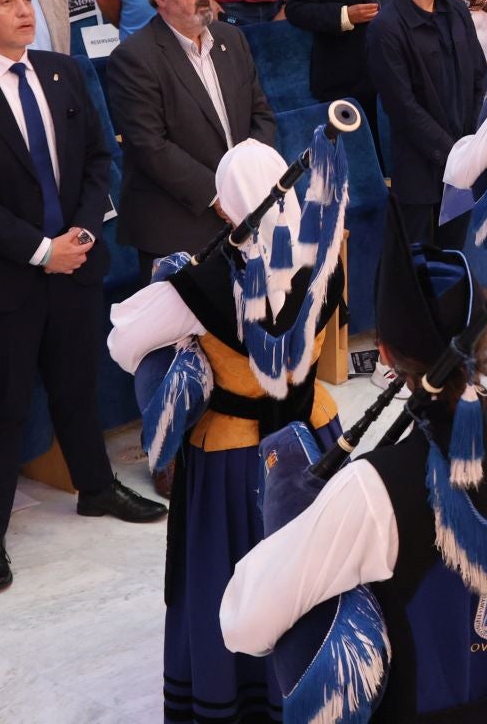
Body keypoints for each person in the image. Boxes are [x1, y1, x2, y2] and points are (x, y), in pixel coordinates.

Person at [218, 206, 487, 719]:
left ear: (384, 353)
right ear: (485, 344)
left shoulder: (375, 488)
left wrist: (288, 515)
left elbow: (243, 622)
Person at [0, 0, 166, 597]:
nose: (24, 10)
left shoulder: (64, 72)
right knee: (1, 408)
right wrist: (39, 251)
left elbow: (97, 159)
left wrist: (82, 234)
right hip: (0, 280)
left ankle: (95, 487)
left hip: (75, 265)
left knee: (76, 386)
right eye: (7, 1)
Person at [107, 134, 343, 724]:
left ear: (228, 205)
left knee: (230, 583)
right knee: (309, 580)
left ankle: (233, 697)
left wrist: (174, 282)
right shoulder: (326, 256)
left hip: (237, 458)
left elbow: (122, 341)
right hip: (313, 440)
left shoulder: (203, 287)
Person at [106, 0, 277, 269]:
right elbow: (149, 145)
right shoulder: (134, 58)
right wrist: (219, 194)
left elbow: (261, 113)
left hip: (245, 209)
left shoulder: (231, 39)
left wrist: (251, 177)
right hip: (178, 222)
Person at [367, 0, 487, 244]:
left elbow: (478, 75)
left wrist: (469, 144)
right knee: (423, 272)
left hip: (463, 165)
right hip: (421, 176)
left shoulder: (458, 11)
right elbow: (403, 108)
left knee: (457, 257)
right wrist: (454, 152)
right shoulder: (387, 30)